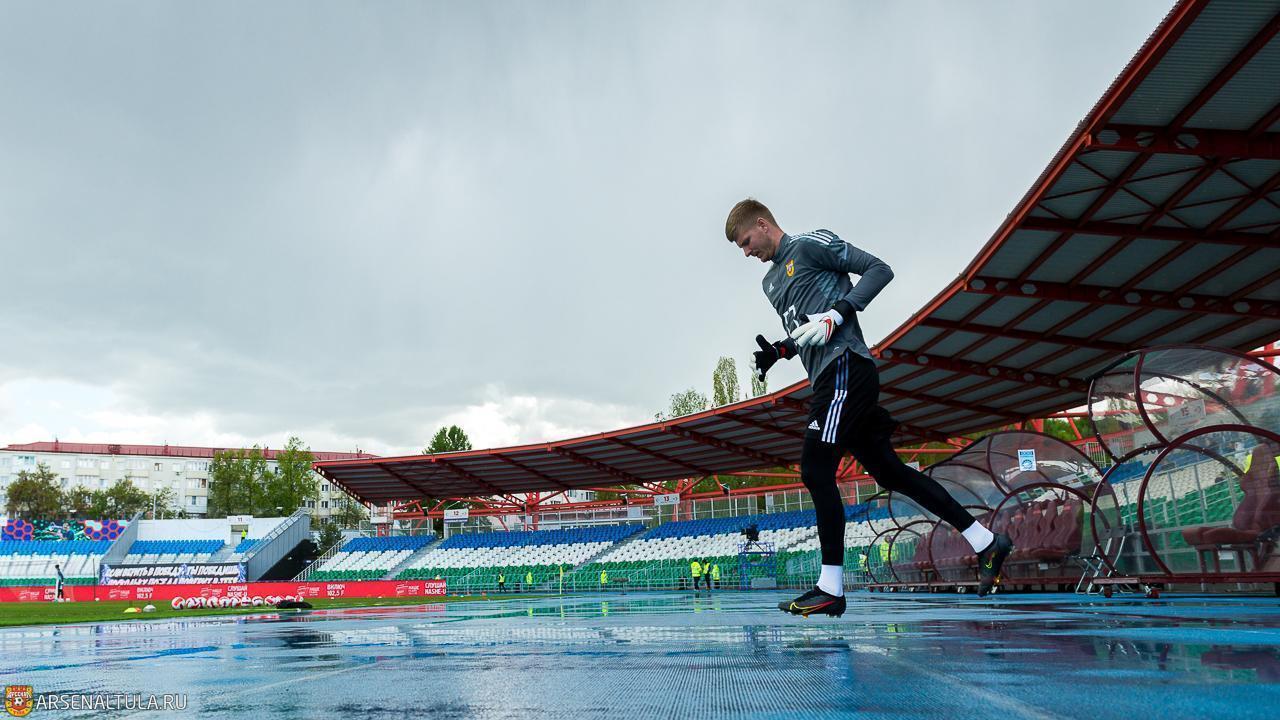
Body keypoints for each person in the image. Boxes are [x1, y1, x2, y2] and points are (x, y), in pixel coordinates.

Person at [725, 198, 1012, 617]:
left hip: (846, 367)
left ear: (763, 224)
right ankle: (986, 542)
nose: (747, 252)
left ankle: (831, 588)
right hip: (828, 375)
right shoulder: (770, 283)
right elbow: (809, 329)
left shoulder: (810, 245)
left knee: (815, 469)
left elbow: (879, 269)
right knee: (891, 473)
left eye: (747, 241)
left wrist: (838, 314)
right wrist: (781, 350)